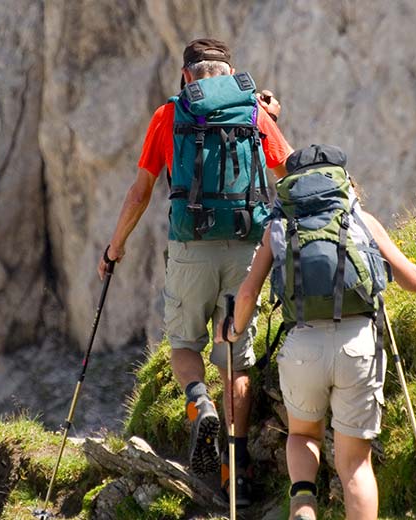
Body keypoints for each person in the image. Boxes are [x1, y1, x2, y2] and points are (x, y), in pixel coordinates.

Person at [97, 38, 293, 507]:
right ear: (228, 72)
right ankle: (236, 470)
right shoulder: (253, 111)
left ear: (187, 76)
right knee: (236, 359)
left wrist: (115, 246)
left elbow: (140, 191)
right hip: (247, 247)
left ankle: (198, 402)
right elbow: (288, 169)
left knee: (184, 344)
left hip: (190, 248)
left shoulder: (169, 115)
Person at [217, 144, 416, 520]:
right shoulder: (359, 218)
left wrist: (232, 330)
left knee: (302, 436)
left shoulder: (279, 227)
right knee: (356, 465)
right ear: (342, 181)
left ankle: (303, 504)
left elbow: (248, 292)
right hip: (358, 344)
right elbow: (415, 282)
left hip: (302, 347)